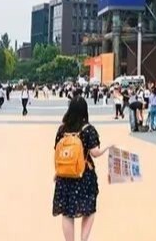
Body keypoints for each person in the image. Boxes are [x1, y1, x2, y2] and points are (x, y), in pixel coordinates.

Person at [53, 97, 110, 241]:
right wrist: (107, 147)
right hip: (84, 175)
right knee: (89, 210)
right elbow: (95, 153)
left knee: (67, 213)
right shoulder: (88, 129)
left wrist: (57, 171)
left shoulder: (62, 129)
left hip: (64, 176)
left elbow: (58, 151)